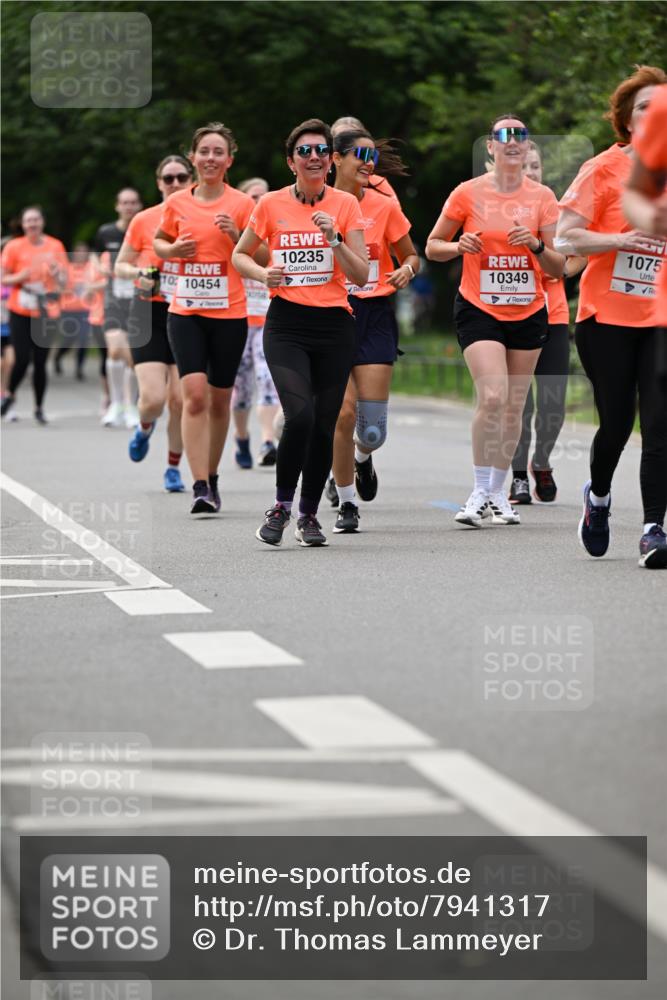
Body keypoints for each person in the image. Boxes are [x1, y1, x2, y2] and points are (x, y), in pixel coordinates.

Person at [232, 118, 368, 546]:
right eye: (305, 151)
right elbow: (240, 255)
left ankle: (309, 515)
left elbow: (361, 275)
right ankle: (281, 506)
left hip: (334, 325)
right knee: (301, 416)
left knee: (325, 424)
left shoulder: (346, 205)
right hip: (287, 323)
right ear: (291, 162)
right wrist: (262, 273)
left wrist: (335, 240)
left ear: (330, 161)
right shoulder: (270, 205)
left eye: (321, 150)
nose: (314, 157)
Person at [426, 115, 564, 527]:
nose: (513, 142)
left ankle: (499, 493)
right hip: (479, 307)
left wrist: (537, 245)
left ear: (527, 147)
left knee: (513, 407)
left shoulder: (543, 197)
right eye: (504, 135)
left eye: (520, 135)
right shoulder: (467, 194)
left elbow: (558, 266)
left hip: (527, 309)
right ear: (490, 146)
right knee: (491, 397)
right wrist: (458, 245)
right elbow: (433, 247)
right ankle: (479, 490)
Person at [557, 66, 667, 568]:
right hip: (607, 318)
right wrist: (619, 240)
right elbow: (565, 238)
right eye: (642, 106)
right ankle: (597, 497)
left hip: (660, 315)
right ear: (625, 118)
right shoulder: (601, 169)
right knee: (618, 421)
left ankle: (652, 530)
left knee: (660, 422)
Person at [154, 123, 256, 514]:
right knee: (193, 396)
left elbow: (261, 259)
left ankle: (212, 476)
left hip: (230, 313)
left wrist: (236, 237)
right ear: (193, 157)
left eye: (218, 152)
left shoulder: (243, 204)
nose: (210, 158)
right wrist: (174, 247)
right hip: (186, 312)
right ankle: (198, 484)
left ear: (229, 160)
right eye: (204, 151)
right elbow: (160, 243)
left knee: (219, 401)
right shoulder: (177, 202)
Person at [328, 126, 419, 533]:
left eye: (372, 158)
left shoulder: (383, 206)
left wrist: (406, 270)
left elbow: (412, 255)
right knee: (342, 414)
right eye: (359, 156)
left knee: (372, 430)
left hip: (375, 314)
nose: (367, 164)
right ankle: (346, 501)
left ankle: (362, 459)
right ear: (336, 160)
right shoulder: (317, 204)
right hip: (331, 313)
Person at [509, 141, 587, 504]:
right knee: (519, 403)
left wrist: (559, 269)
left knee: (552, 405)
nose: (531, 172)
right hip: (511, 316)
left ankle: (541, 462)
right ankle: (519, 476)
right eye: (525, 166)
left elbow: (578, 256)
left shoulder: (558, 210)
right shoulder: (497, 210)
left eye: (536, 166)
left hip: (552, 316)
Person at [115, 155, 193, 493]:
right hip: (148, 312)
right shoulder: (144, 220)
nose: (174, 183)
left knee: (180, 400)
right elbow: (120, 266)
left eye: (180, 177)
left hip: (188, 311)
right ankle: (144, 427)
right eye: (168, 178)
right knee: (153, 399)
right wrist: (140, 274)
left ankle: (173, 468)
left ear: (191, 179)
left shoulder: (199, 217)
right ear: (159, 183)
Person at [230, 177, 281, 470]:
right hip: (236, 317)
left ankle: (267, 441)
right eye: (253, 196)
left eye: (264, 196)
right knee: (240, 387)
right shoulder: (233, 231)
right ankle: (241, 436)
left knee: (266, 377)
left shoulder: (277, 230)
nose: (259, 201)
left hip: (267, 317)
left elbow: (272, 259)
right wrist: (231, 236)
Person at [0, 206, 67, 424]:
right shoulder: (13, 246)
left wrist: (58, 275)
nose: (32, 224)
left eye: (36, 220)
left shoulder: (55, 245)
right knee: (21, 358)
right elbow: (3, 278)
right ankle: (9, 394)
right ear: (23, 224)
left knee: (40, 361)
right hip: (20, 308)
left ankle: (39, 407)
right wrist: (20, 276)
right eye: (28, 221)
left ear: (42, 222)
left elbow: (65, 283)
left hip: (45, 309)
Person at [93, 188, 143, 427]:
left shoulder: (145, 229)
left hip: (139, 300)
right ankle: (115, 403)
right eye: (124, 203)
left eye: (133, 202)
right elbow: (95, 254)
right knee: (115, 350)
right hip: (113, 299)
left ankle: (131, 405)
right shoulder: (106, 232)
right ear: (117, 206)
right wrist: (100, 269)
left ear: (139, 205)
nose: (129, 207)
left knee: (133, 356)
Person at [54, 241, 92, 380]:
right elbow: (59, 286)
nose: (81, 255)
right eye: (79, 252)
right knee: (69, 339)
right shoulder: (67, 268)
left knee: (83, 340)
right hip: (68, 310)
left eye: (84, 252)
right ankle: (58, 356)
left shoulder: (91, 268)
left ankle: (79, 369)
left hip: (86, 310)